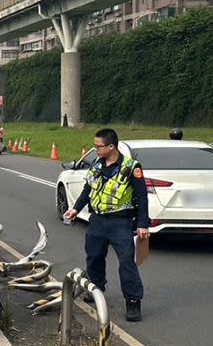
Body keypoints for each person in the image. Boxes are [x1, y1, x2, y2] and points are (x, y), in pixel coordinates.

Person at [63, 128, 149, 322]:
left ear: (111, 146)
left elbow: (142, 197)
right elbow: (88, 188)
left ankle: (133, 301)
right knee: (94, 257)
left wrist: (143, 224)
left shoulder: (131, 167)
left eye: (98, 146)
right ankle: (96, 288)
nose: (95, 150)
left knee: (127, 262)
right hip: (98, 221)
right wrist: (76, 209)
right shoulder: (97, 164)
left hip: (121, 222)